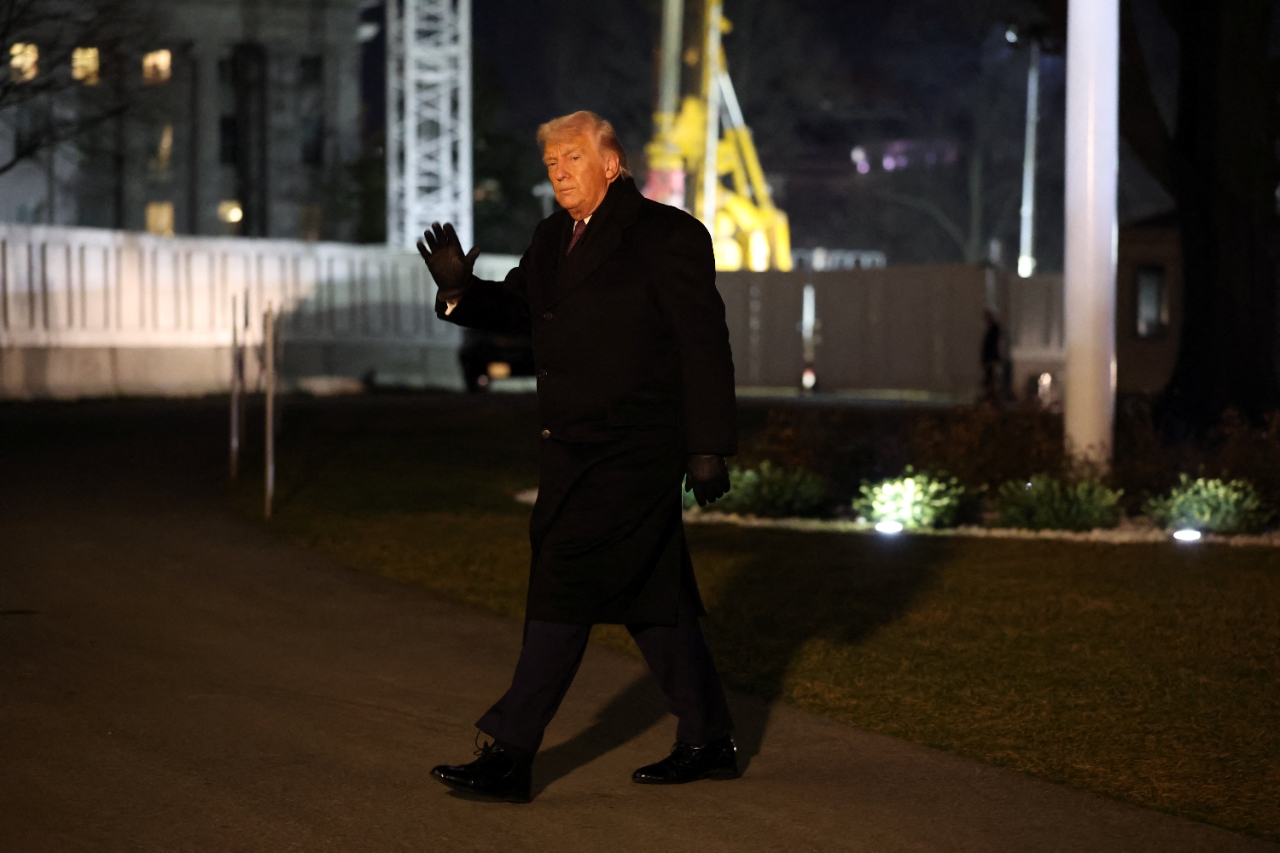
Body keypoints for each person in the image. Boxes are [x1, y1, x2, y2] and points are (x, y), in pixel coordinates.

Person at [417, 111, 739, 803]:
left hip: (636, 448)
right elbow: (518, 308)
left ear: (611, 164)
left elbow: (702, 342)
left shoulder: (669, 236)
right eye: (552, 163)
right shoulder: (551, 238)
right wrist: (458, 292)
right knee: (654, 599)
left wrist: (707, 444)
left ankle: (511, 753)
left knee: (563, 582)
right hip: (569, 447)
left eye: (572, 158)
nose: (559, 172)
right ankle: (710, 737)